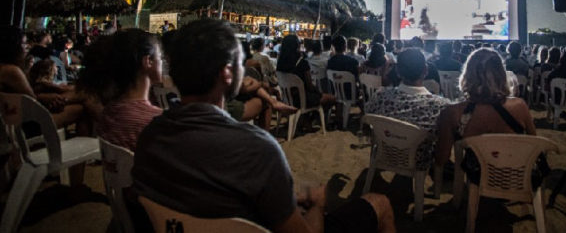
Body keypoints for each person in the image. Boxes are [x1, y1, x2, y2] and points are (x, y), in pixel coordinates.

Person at [132, 19, 395, 233]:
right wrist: (317, 205)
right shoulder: (256, 149)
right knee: (378, 203)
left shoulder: (150, 136)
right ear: (226, 73)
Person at [435, 48, 536, 169]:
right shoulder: (519, 106)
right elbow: (533, 145)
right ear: (502, 75)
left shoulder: (453, 113)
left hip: (478, 180)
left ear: (467, 75)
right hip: (516, 177)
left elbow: (441, 159)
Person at [78, 29, 163, 151]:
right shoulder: (155, 122)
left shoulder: (108, 113)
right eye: (160, 57)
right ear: (148, 61)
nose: (162, 62)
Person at [365, 48, 450, 170]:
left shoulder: (380, 96)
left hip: (384, 153)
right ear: (425, 71)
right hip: (418, 160)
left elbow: (367, 118)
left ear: (398, 72)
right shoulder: (441, 106)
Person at [277, 35, 336, 110]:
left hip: (287, 99)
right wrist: (319, 93)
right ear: (297, 45)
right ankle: (318, 118)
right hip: (303, 99)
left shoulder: (280, 64)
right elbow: (310, 86)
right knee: (332, 98)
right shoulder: (302, 63)